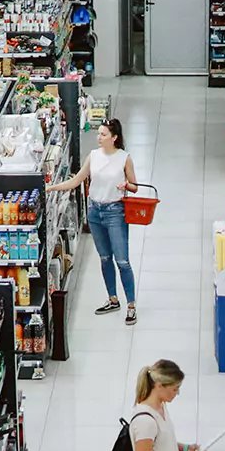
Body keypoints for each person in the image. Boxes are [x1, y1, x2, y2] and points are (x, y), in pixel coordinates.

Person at [49, 117, 139, 325]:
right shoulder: (93, 156)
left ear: (114, 138)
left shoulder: (124, 158)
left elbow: (135, 186)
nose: (98, 137)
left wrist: (125, 185)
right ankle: (113, 299)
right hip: (95, 211)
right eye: (99, 133)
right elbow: (76, 180)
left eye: (103, 134)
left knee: (122, 260)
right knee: (105, 257)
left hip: (115, 211)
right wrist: (52, 188)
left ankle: (131, 305)